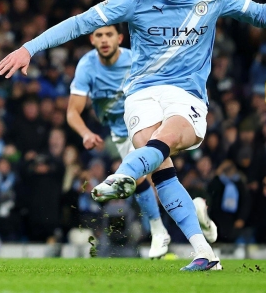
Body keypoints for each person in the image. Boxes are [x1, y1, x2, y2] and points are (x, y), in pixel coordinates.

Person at [0, 0, 266, 271]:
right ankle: (204, 253)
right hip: (141, 93)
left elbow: (262, 16)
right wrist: (29, 48)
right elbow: (81, 22)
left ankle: (123, 175)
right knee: (160, 169)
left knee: (164, 139)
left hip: (186, 93)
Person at [66, 23, 218, 259]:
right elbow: (72, 111)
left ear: (119, 38)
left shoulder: (135, 59)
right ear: (92, 40)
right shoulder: (86, 66)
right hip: (120, 132)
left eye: (109, 34)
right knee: (158, 181)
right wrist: (85, 132)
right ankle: (194, 213)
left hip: (148, 122)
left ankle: (159, 230)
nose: (104, 39)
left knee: (146, 177)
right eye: (99, 35)